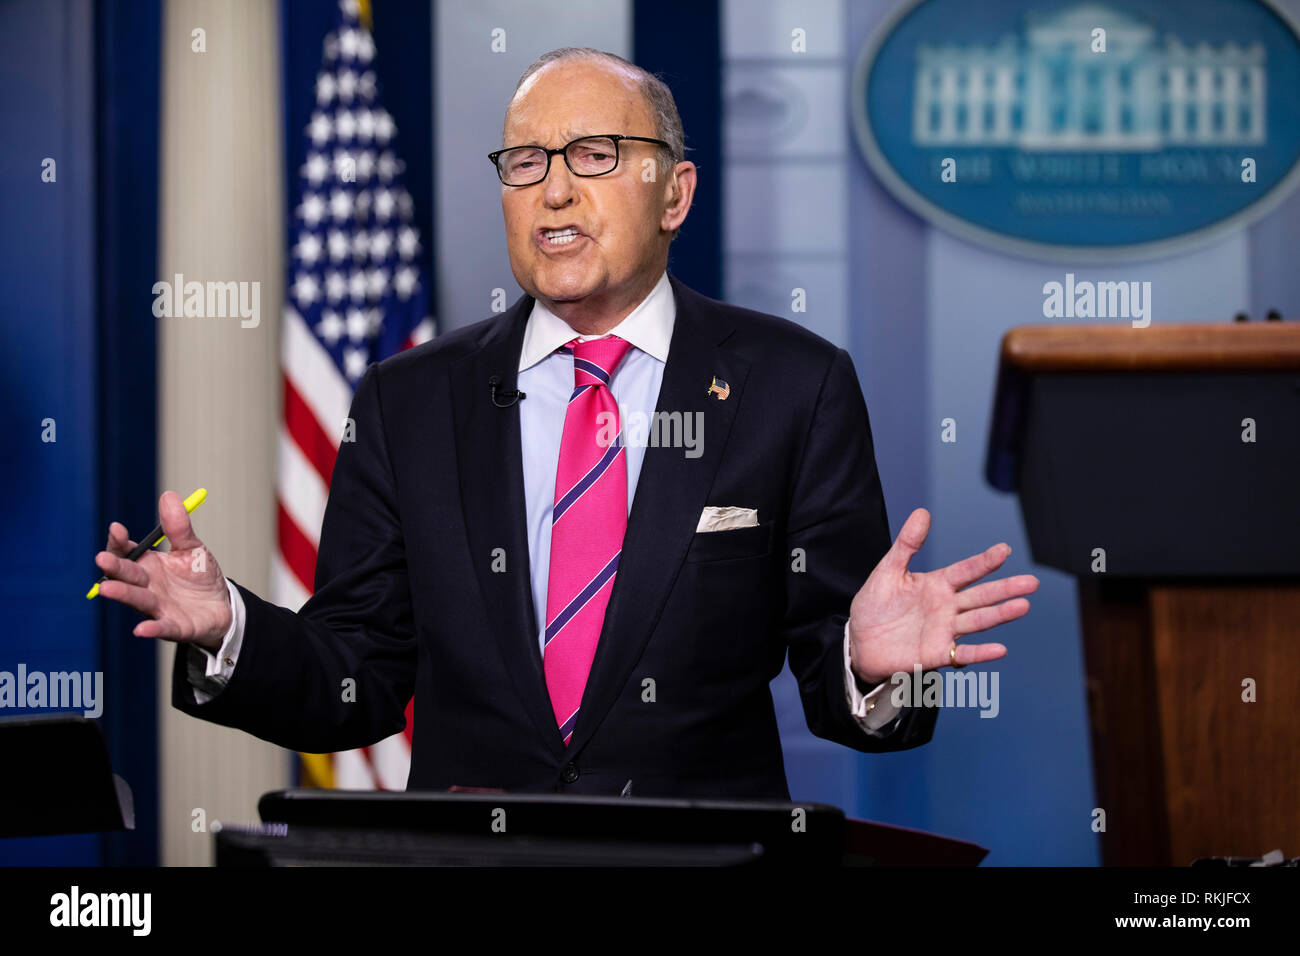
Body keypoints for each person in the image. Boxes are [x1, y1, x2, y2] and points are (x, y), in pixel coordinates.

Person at [94, 48, 1038, 798]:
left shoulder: (796, 384)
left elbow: (845, 681)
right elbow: (360, 676)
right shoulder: (407, 400)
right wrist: (230, 631)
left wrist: (874, 668)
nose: (553, 190)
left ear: (675, 194)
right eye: (525, 162)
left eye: (594, 157)